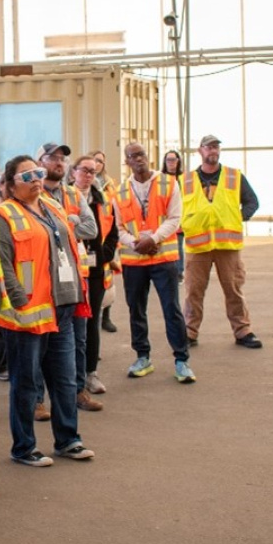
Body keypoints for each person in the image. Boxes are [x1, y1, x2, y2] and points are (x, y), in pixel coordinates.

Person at [0, 156, 95, 467]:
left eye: (38, 172)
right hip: (29, 314)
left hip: (62, 305)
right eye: (27, 175)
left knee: (64, 379)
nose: (36, 178)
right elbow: (2, 261)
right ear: (10, 185)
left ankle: (68, 440)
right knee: (26, 383)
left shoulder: (52, 205)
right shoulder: (3, 215)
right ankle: (23, 447)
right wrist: (18, 299)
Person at [116, 142, 194, 383]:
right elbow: (117, 227)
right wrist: (135, 243)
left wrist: (154, 238)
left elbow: (175, 217)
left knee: (171, 309)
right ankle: (142, 357)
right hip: (134, 260)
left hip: (163, 259)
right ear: (127, 162)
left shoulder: (168, 183)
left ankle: (182, 361)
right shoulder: (120, 191)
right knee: (136, 309)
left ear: (147, 157)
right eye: (132, 156)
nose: (137, 159)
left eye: (141, 154)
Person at [181, 134, 263, 350]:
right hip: (197, 246)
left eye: (216, 147)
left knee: (233, 289)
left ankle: (243, 330)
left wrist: (239, 217)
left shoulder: (234, 176)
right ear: (200, 151)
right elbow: (174, 208)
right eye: (208, 147)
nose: (213, 151)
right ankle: (189, 332)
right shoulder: (186, 180)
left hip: (227, 245)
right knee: (193, 291)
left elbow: (252, 201)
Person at [39, 143, 101, 414]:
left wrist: (65, 222)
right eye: (53, 158)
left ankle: (77, 391)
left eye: (62, 158)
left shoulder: (74, 194)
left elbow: (91, 228)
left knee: (77, 338)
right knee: (40, 341)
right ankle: (37, 400)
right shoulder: (30, 192)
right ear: (40, 160)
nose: (59, 162)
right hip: (41, 277)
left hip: (73, 276)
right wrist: (69, 223)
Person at [72, 153, 118, 397]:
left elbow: (113, 231)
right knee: (70, 323)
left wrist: (105, 255)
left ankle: (90, 373)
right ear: (74, 172)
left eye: (93, 171)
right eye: (84, 170)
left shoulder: (104, 199)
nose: (88, 175)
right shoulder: (63, 197)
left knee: (92, 321)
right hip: (70, 270)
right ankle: (69, 375)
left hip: (96, 269)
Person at [90, 149, 120, 333]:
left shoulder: (110, 185)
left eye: (100, 161)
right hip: (93, 237)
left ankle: (106, 316)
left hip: (107, 234)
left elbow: (115, 209)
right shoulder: (82, 184)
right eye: (94, 160)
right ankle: (96, 317)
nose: (97, 164)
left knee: (109, 279)